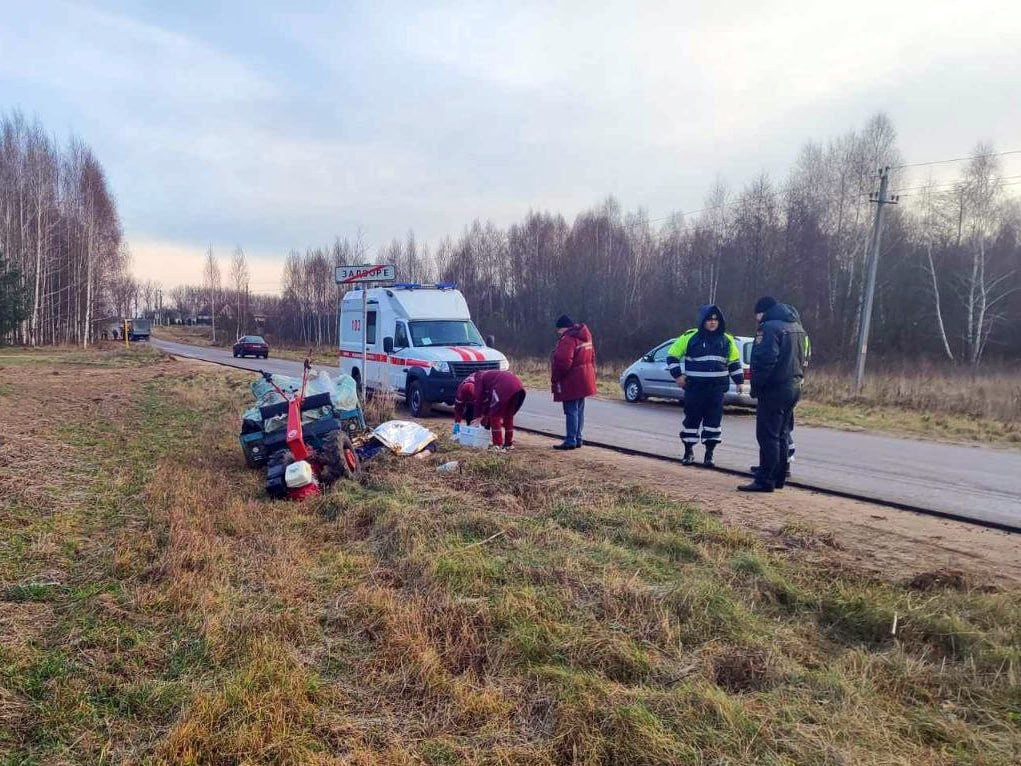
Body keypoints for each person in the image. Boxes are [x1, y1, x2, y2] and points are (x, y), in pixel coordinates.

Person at [740, 296, 808, 492]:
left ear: (763, 312)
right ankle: (779, 477)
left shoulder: (768, 328)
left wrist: (757, 387)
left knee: (767, 435)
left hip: (774, 389)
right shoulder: (798, 328)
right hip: (794, 386)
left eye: (757, 316)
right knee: (783, 433)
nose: (757, 320)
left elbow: (764, 360)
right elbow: (805, 358)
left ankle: (765, 480)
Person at [665, 304, 743, 467]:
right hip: (695, 388)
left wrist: (739, 381)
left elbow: (734, 362)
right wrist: (678, 376)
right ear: (703, 321)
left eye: (716, 320)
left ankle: (709, 454)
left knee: (713, 422)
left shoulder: (727, 339)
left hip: (716, 389)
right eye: (709, 320)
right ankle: (688, 452)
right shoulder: (690, 337)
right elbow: (672, 355)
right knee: (692, 420)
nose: (713, 323)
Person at [550, 314, 596, 450]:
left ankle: (570, 440)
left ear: (563, 328)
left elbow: (563, 363)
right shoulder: (585, 336)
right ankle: (578, 438)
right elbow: (592, 357)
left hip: (572, 380)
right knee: (579, 410)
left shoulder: (568, 339)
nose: (558, 333)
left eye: (558, 330)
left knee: (571, 410)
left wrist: (556, 378)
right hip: (585, 378)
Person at [458, 369, 526, 450]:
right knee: (508, 416)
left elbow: (478, 398)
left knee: (495, 416)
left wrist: (478, 417)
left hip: (504, 386)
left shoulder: (479, 377)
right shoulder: (490, 377)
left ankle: (497, 445)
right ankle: (508, 444)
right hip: (518, 387)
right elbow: (489, 405)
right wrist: (484, 417)